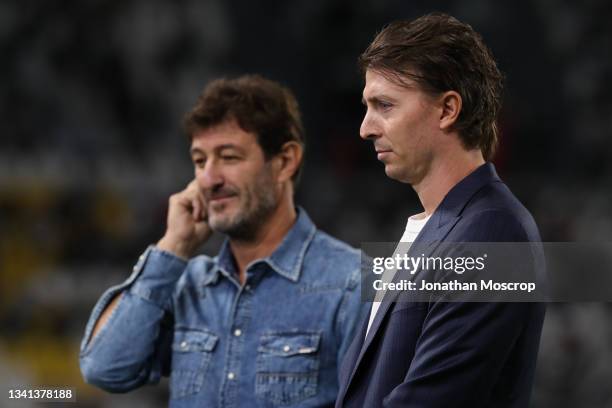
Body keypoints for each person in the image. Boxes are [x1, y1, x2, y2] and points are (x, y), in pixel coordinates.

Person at [79, 75, 367, 407]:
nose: (209, 179)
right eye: (200, 161)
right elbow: (104, 369)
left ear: (285, 161)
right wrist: (173, 246)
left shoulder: (354, 282)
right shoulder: (186, 284)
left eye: (228, 157)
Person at [336, 13, 546, 407]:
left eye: (385, 105)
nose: (365, 128)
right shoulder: (440, 227)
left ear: (448, 109)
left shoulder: (491, 235)